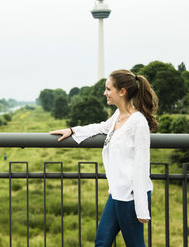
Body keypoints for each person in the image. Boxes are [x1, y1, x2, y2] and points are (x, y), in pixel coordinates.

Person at [50, 69, 158, 246]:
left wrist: (141, 209)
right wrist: (73, 130)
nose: (104, 93)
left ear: (122, 91)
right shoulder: (118, 115)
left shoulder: (138, 122)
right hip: (116, 192)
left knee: (135, 244)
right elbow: (101, 127)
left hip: (131, 196)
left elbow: (141, 166)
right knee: (102, 242)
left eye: (108, 89)